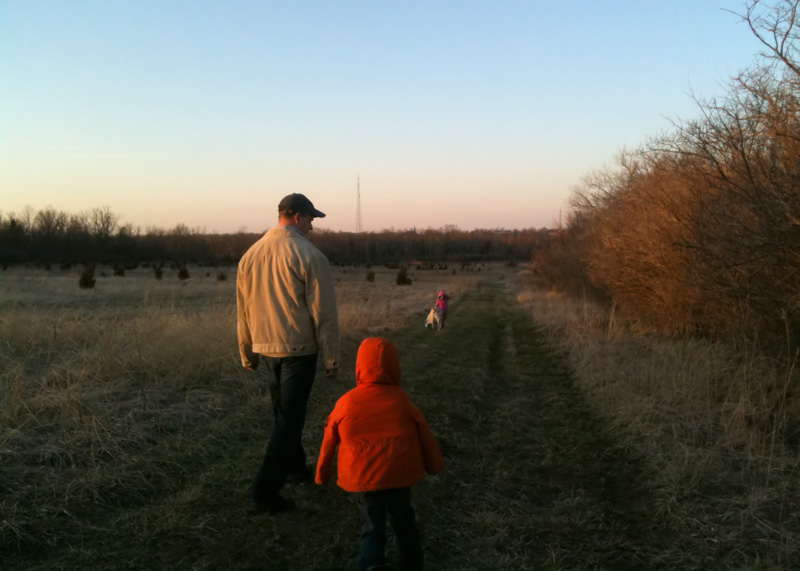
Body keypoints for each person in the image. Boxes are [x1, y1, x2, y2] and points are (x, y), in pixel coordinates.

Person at [237, 193, 340, 515]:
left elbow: (243, 310)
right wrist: (332, 356)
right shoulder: (310, 255)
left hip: (265, 347)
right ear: (297, 217)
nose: (312, 226)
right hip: (298, 349)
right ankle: (264, 493)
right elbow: (324, 313)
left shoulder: (250, 255)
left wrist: (246, 350)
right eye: (311, 219)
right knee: (289, 421)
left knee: (284, 414)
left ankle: (296, 469)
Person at [316, 337, 445, 571]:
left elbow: (328, 439)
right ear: (395, 367)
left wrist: (322, 474)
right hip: (398, 474)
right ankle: (412, 561)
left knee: (371, 523)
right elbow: (425, 434)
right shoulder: (402, 401)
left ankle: (371, 563)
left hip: (363, 475)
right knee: (403, 518)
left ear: (359, 367)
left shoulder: (346, 403)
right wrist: (434, 465)